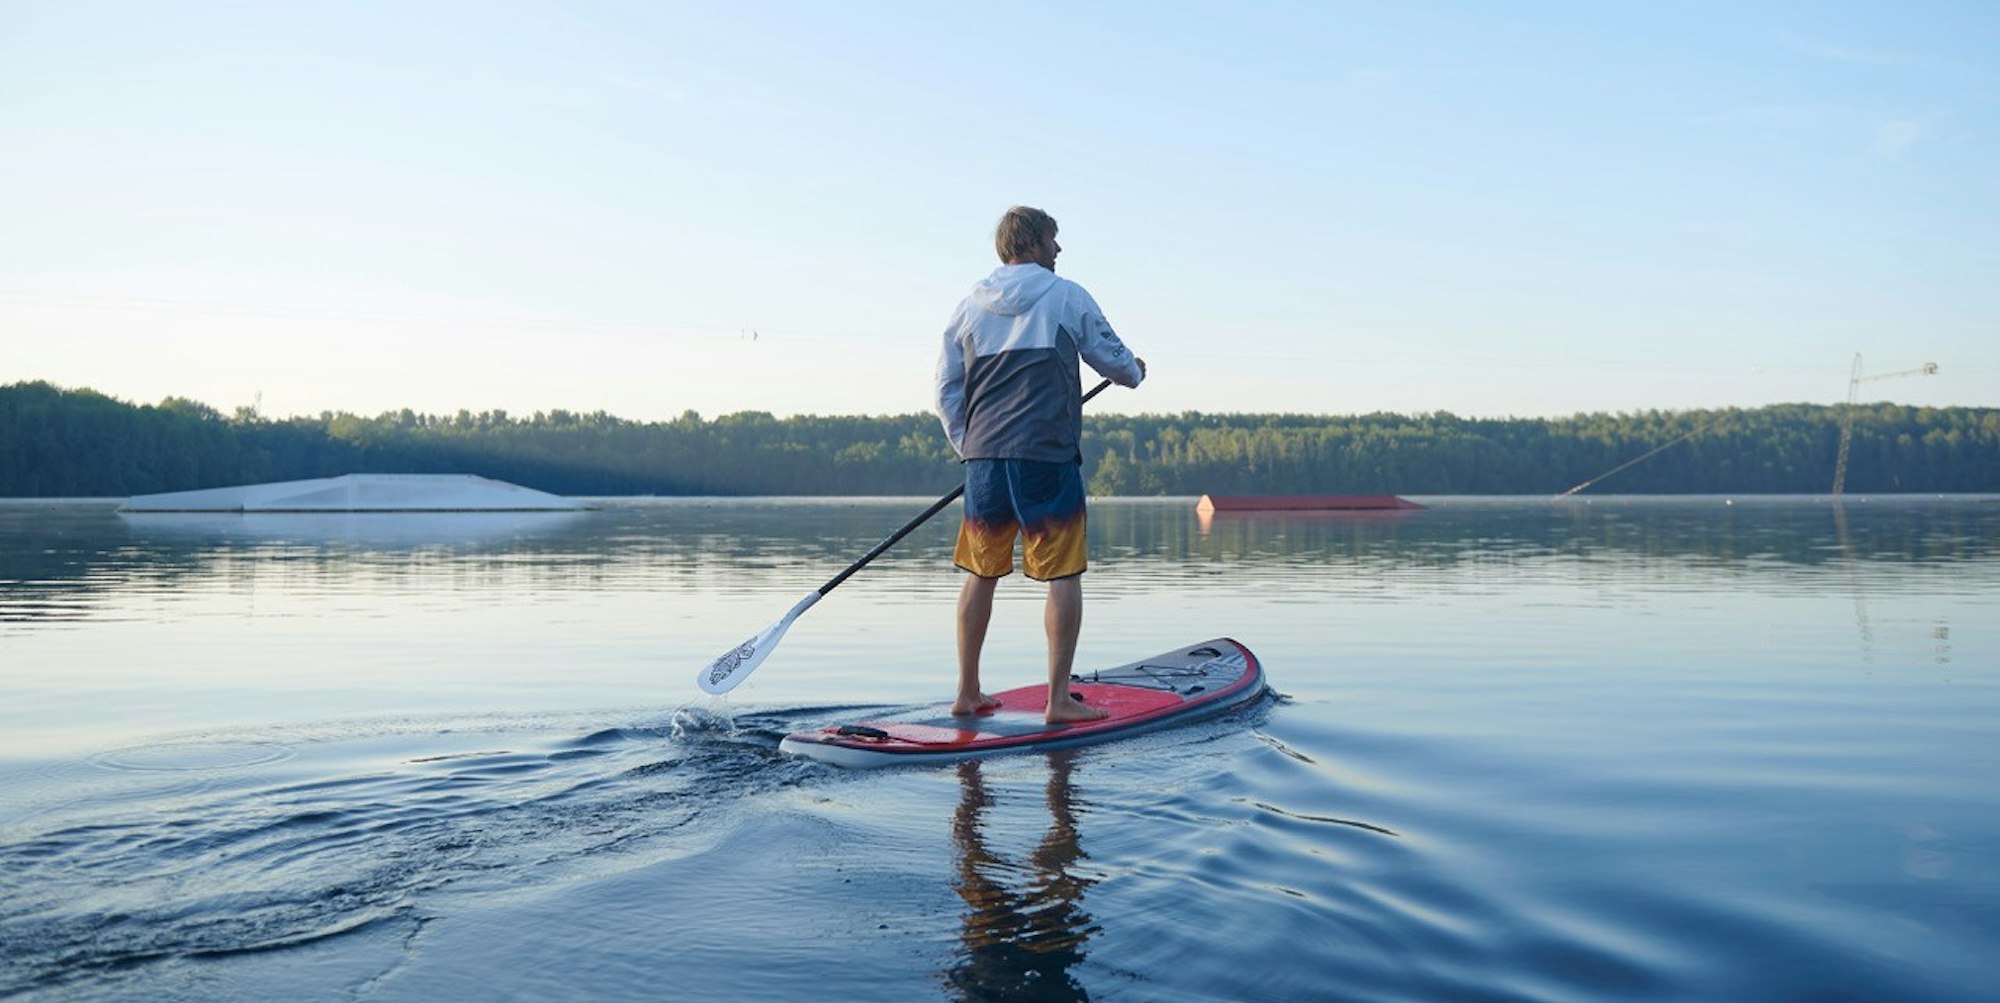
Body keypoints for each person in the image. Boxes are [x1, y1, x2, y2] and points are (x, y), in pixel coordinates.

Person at [935, 206, 1146, 724]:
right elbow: (1115, 361)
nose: (1058, 250)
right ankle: (1058, 701)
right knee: (1064, 574)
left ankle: (967, 692)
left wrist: (970, 445)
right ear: (1031, 243)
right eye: (1053, 240)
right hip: (1047, 457)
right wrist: (1135, 371)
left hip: (984, 462)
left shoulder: (967, 308)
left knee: (981, 574)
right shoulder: (1065, 295)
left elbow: (946, 390)